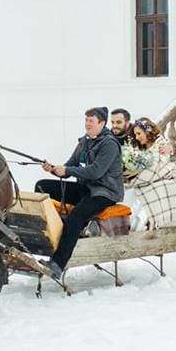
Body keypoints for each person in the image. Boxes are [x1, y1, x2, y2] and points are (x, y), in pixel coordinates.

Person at [36, 106, 124, 279]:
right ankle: (54, 231)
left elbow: (96, 171)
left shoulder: (109, 144)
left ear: (102, 123)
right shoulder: (85, 141)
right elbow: (70, 166)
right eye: (86, 120)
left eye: (91, 120)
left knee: (76, 216)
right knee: (42, 186)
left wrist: (67, 170)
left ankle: (58, 264)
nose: (87, 123)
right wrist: (53, 169)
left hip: (104, 193)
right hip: (86, 188)